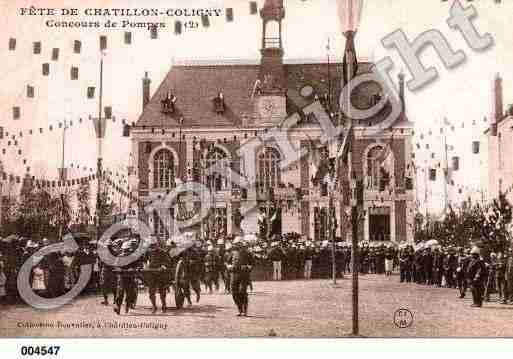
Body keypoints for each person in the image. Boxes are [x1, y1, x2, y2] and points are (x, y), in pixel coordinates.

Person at [227, 237, 253, 317]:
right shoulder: (232, 253)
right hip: (234, 274)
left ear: (242, 244)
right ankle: (239, 309)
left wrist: (247, 267)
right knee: (234, 292)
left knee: (242, 291)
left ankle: (245, 310)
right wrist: (229, 267)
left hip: (243, 275)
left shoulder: (247, 253)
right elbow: (227, 262)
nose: (238, 245)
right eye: (236, 244)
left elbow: (252, 263)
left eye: (239, 244)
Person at [146, 241, 173, 313]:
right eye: (152, 245)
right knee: (151, 292)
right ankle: (154, 306)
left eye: (155, 245)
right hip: (151, 273)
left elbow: (168, 262)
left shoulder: (162, 252)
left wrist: (163, 266)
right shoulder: (148, 252)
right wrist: (145, 266)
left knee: (162, 291)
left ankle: (164, 305)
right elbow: (144, 260)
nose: (153, 247)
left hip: (160, 273)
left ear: (158, 245)